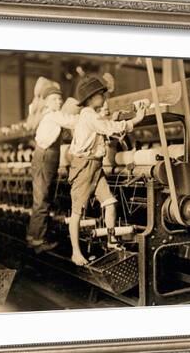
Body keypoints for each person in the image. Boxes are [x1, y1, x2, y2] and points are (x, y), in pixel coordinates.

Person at [68, 76, 147, 265]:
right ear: (91, 98)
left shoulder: (91, 115)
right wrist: (135, 120)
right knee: (77, 212)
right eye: (101, 94)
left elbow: (106, 127)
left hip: (95, 166)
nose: (104, 97)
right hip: (85, 166)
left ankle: (111, 240)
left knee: (110, 203)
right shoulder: (89, 115)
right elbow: (109, 127)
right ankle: (75, 252)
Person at [26, 84, 80, 253]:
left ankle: (33, 236)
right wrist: (90, 116)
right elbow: (72, 121)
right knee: (42, 199)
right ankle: (38, 241)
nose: (58, 101)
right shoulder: (53, 115)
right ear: (47, 103)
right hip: (45, 157)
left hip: (45, 156)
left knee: (41, 198)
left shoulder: (49, 116)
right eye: (54, 99)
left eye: (59, 99)